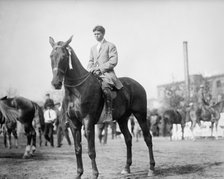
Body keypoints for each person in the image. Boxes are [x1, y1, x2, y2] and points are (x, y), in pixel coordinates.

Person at [87, 25, 123, 123]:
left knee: (105, 88)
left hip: (107, 74)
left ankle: (108, 113)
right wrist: (90, 68)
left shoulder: (110, 45)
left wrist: (99, 68)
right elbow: (90, 61)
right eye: (94, 34)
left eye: (98, 34)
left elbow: (113, 61)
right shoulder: (93, 48)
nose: (96, 36)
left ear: (103, 34)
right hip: (94, 74)